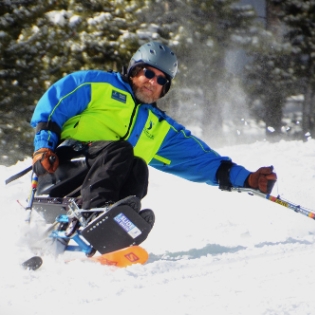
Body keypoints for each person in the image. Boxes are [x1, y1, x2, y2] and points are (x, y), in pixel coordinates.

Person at [31, 41, 277, 233]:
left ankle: (110, 227)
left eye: (161, 80)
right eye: (148, 73)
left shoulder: (157, 126)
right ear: (134, 70)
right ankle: (96, 215)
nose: (152, 82)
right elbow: (55, 104)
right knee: (121, 151)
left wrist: (248, 179)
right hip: (61, 171)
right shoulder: (99, 85)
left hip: (91, 189)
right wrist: (43, 147)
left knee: (138, 167)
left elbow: (200, 160)